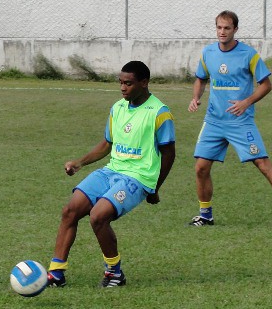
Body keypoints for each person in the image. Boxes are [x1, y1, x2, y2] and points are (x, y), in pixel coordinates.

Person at [47, 61, 176, 288]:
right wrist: (80, 163)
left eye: (128, 83)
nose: (123, 88)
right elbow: (107, 144)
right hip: (111, 171)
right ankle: (56, 273)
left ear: (144, 83)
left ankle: (114, 273)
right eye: (120, 83)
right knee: (70, 211)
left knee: (98, 216)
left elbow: (169, 154)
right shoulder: (117, 108)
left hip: (138, 178)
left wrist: (155, 187)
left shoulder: (160, 113)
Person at [187, 10, 272, 230]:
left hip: (240, 122)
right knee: (200, 168)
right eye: (219, 28)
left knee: (262, 164)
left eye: (227, 28)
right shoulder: (208, 53)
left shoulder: (248, 55)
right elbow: (201, 79)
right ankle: (205, 215)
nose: (222, 32)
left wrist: (246, 102)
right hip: (213, 121)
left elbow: (266, 85)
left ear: (235, 30)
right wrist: (196, 97)